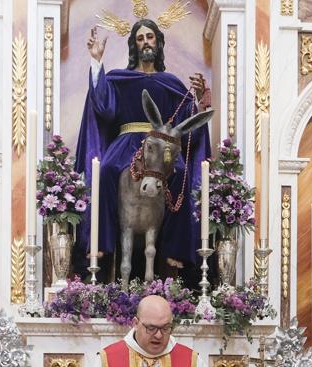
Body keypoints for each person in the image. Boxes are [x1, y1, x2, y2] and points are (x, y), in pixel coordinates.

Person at [74, 19, 211, 275]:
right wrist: (96, 61)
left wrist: (200, 99)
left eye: (150, 37)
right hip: (126, 142)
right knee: (105, 172)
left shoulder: (170, 83)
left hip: (162, 146)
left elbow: (185, 123)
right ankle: (100, 244)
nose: (145, 42)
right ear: (134, 45)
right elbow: (104, 106)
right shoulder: (119, 79)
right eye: (140, 38)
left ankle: (175, 251)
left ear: (158, 43)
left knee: (180, 173)